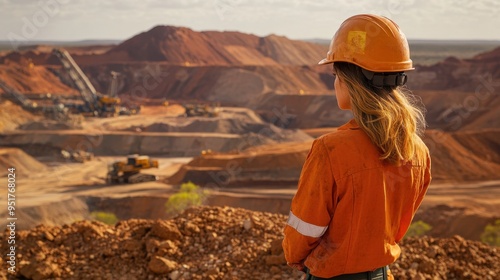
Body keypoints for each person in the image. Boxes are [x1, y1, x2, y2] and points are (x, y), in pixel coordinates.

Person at [282, 14, 431, 280]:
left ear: (350, 80)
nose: (335, 82)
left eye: (335, 73)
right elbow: (398, 226)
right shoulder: (416, 150)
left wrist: (298, 259)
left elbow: (304, 229)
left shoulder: (330, 150)